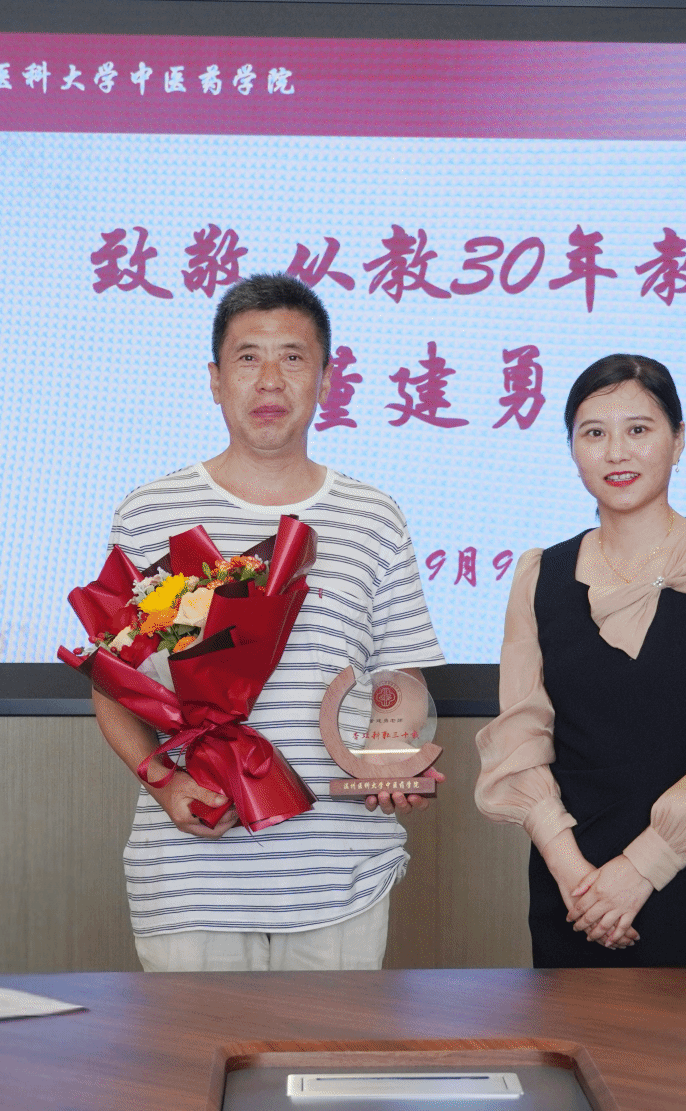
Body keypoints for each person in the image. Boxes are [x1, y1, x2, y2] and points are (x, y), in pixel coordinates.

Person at [91, 274, 446, 973]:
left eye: (293, 357)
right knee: (195, 1050)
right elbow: (113, 682)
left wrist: (389, 758)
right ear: (215, 380)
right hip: (193, 871)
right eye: (248, 357)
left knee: (330, 1048)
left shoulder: (374, 516)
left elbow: (401, 677)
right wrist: (165, 783)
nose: (270, 379)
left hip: (339, 869)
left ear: (327, 380)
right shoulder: (152, 512)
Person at [475, 353, 686, 967]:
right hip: (572, 889)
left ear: (678, 440)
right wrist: (575, 875)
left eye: (639, 429)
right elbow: (521, 740)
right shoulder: (539, 576)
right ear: (572, 449)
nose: (616, 452)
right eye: (594, 433)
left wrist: (638, 872)